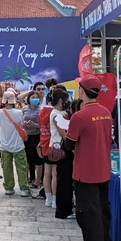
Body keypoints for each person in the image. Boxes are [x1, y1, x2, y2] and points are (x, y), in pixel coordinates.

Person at [63, 76, 114, 241]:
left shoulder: (80, 116)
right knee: (102, 212)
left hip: (85, 172)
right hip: (103, 169)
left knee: (88, 215)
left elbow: (69, 144)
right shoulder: (105, 112)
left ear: (82, 91)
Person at [49, 88, 74, 219]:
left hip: (62, 149)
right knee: (63, 180)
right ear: (60, 101)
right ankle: (63, 209)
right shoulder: (56, 115)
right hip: (62, 150)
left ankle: (64, 208)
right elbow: (63, 134)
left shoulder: (60, 113)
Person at [0, 91, 29, 196]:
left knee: (6, 167)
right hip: (18, 144)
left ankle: (9, 187)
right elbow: (21, 125)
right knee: (21, 167)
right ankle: (24, 188)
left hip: (4, 145)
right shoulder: (19, 113)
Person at [23, 82, 45, 190]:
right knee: (27, 158)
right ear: (29, 98)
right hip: (26, 136)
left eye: (36, 97)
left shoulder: (41, 110)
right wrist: (24, 124)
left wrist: (35, 125)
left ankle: (38, 180)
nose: (35, 99)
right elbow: (20, 121)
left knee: (37, 159)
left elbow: (43, 125)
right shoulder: (24, 109)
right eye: (33, 97)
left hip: (36, 136)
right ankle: (27, 179)